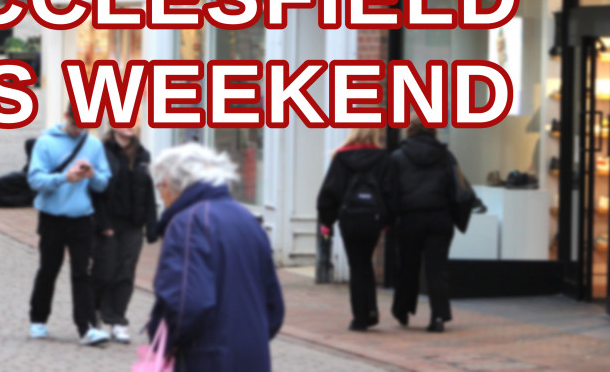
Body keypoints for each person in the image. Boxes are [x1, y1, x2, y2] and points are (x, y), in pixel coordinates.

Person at [148, 143, 284, 371]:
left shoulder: (188, 222)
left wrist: (164, 343)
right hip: (252, 356)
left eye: (161, 186)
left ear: (176, 185)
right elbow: (273, 307)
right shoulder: (247, 218)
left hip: (207, 357)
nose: (161, 196)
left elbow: (185, 303)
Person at [27, 106, 113, 346]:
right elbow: (34, 179)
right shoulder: (45, 142)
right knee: (49, 269)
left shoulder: (94, 144)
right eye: (77, 125)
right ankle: (38, 319)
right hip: (52, 217)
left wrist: (92, 175)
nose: (80, 130)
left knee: (82, 272)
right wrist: (65, 178)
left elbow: (103, 184)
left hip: (82, 217)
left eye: (86, 125)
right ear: (67, 117)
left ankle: (86, 328)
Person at [316, 128, 393, 331]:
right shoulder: (383, 158)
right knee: (365, 262)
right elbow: (390, 191)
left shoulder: (341, 158)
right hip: (373, 219)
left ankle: (361, 317)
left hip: (350, 219)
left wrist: (327, 222)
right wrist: (387, 220)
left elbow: (329, 192)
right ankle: (371, 310)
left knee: (357, 265)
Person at [90, 127, 158, 343]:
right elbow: (95, 192)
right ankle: (96, 312)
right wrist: (102, 223)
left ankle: (118, 320)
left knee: (126, 271)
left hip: (133, 223)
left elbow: (148, 192)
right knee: (104, 270)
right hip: (107, 221)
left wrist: (151, 226)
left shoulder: (143, 155)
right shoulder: (101, 151)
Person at [390, 117, 456, 333]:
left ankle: (403, 311)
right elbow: (455, 188)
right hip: (439, 218)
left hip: (410, 219)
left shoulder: (398, 157)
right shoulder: (445, 156)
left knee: (408, 267)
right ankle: (438, 316)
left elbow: (391, 191)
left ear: (409, 130)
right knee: (437, 269)